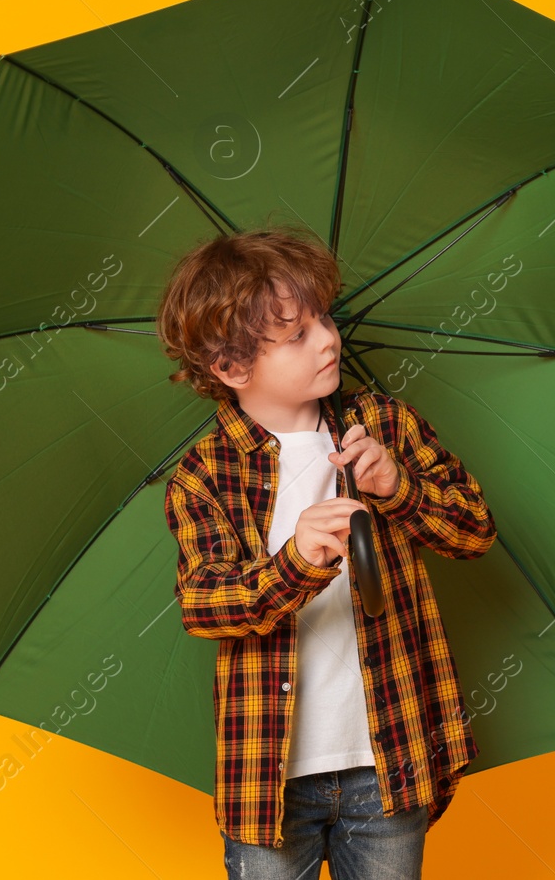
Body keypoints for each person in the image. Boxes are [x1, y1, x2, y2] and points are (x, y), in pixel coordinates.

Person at [156, 224, 498, 879]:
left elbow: (474, 528)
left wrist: (397, 485)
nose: (329, 339)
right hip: (270, 778)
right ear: (231, 366)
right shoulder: (205, 474)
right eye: (297, 335)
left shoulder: (385, 425)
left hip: (386, 760)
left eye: (325, 319)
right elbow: (203, 604)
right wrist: (296, 561)